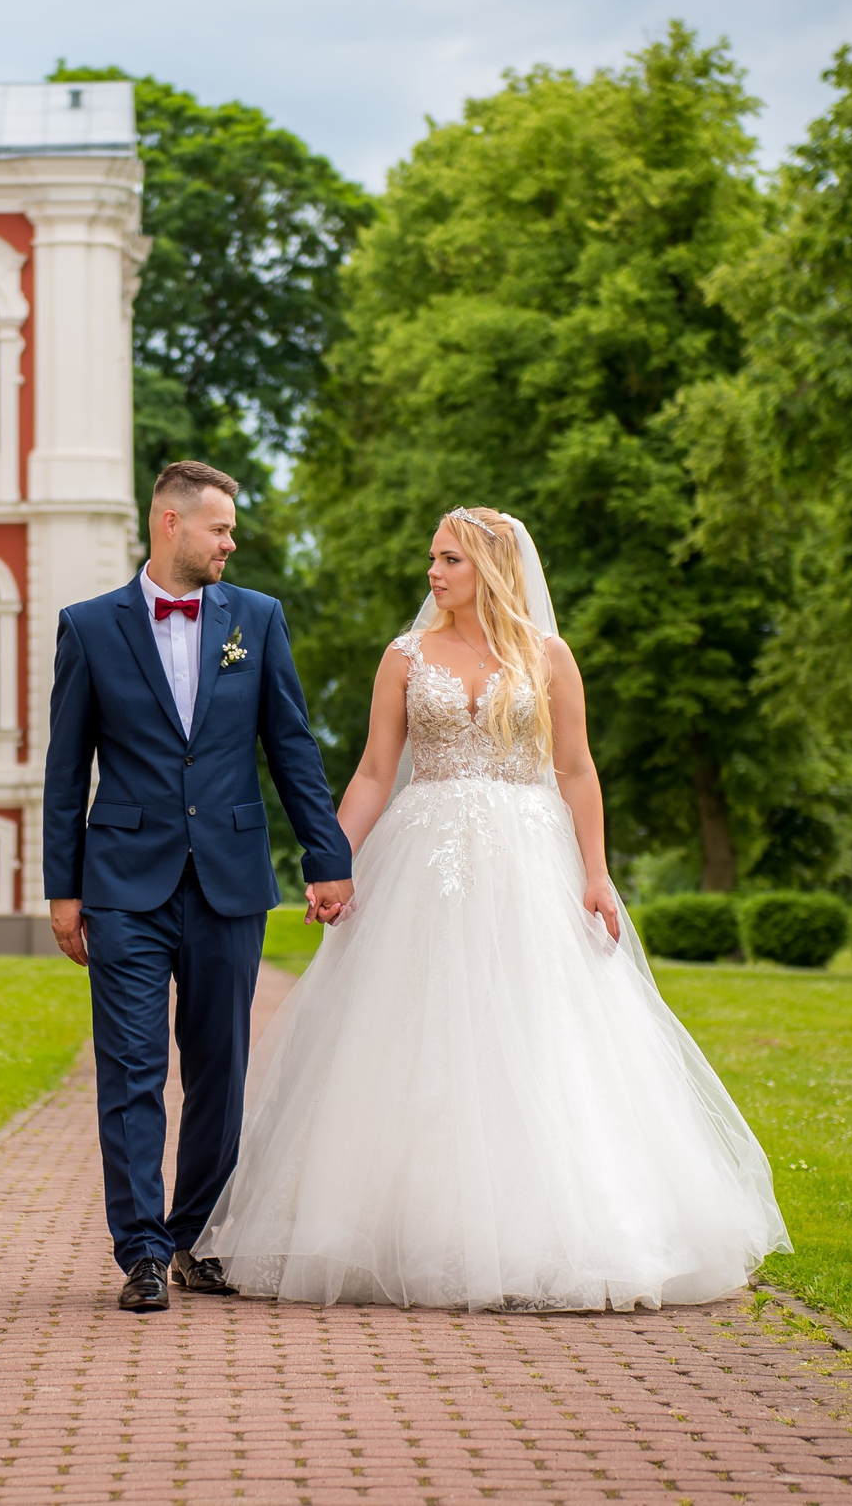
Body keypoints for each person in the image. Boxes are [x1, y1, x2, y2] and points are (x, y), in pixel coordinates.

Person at [195, 506, 791, 1311]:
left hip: (529, 860)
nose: (433, 572)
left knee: (541, 1029)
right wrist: (332, 860)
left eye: (450, 559)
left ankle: (554, 1227)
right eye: (432, 558)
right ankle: (406, 1226)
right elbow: (373, 772)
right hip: (424, 858)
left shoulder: (548, 656)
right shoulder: (404, 656)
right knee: (416, 1029)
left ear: (493, 568)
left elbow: (577, 768)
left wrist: (596, 872)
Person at [42, 460, 355, 1314]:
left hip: (229, 879)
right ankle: (141, 1250)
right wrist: (63, 888)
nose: (231, 543)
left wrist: (326, 855)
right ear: (170, 523)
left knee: (220, 1068)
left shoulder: (257, 618)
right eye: (220, 528)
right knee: (132, 1068)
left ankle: (194, 1236)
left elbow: (291, 745)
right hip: (122, 885)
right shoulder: (88, 626)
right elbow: (66, 770)